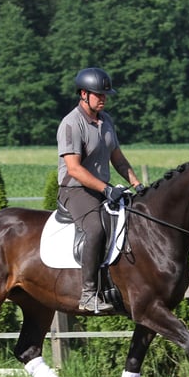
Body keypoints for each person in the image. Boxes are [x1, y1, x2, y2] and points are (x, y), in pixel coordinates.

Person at [57, 67, 144, 313]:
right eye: (98, 94)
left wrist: (137, 184)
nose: (104, 98)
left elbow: (118, 158)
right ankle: (87, 294)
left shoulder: (106, 121)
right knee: (95, 229)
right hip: (75, 191)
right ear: (83, 94)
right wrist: (106, 189)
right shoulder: (71, 124)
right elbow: (74, 169)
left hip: (102, 190)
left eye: (105, 95)